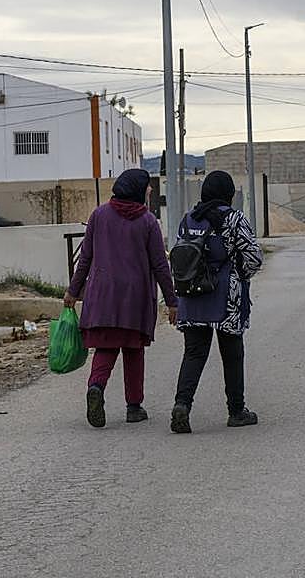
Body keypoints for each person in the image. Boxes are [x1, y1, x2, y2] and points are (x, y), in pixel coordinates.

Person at [64, 168, 177, 428]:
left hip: (102, 294)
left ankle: (96, 386)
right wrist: (172, 302)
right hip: (135, 298)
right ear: (137, 189)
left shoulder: (98, 215)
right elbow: (160, 265)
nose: (149, 190)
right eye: (147, 186)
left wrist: (73, 291)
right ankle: (134, 406)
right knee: (133, 350)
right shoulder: (148, 221)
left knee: (106, 347)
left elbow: (85, 259)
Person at [170, 170, 264, 434]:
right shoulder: (234, 219)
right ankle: (236, 411)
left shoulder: (189, 218)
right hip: (226, 296)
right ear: (228, 194)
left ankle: (182, 406)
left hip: (191, 293)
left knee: (194, 353)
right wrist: (240, 274)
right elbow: (254, 258)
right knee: (232, 354)